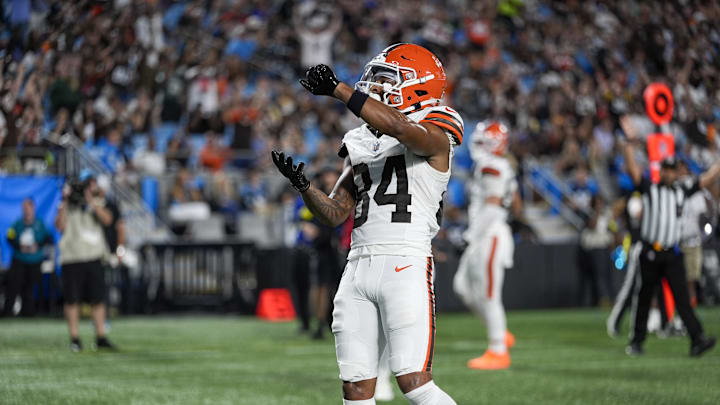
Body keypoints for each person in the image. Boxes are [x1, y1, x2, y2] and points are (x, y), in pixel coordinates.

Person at [272, 43, 462, 404]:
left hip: (404, 261)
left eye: (386, 78)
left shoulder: (439, 124)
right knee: (356, 388)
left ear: (419, 84)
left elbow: (405, 131)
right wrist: (303, 187)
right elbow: (335, 213)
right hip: (357, 264)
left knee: (414, 382)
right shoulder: (361, 139)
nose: (374, 85)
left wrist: (340, 90)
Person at [620, 133, 717, 357]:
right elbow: (634, 172)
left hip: (672, 254)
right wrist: (628, 150)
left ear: (676, 172)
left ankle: (697, 339)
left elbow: (705, 179)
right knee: (644, 298)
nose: (670, 173)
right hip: (651, 252)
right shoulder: (650, 188)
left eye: (673, 170)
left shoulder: (681, 191)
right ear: (661, 170)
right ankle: (636, 341)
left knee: (683, 299)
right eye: (667, 169)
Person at [453, 121, 519, 370]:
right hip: (482, 234)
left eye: (482, 140)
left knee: (489, 294)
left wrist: (470, 236)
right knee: (462, 287)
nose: (477, 145)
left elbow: (492, 206)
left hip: (489, 235)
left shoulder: (492, 165)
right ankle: (499, 331)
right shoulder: (500, 165)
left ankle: (498, 349)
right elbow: (515, 202)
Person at [55, 176, 116, 352]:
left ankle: (101, 336)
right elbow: (59, 226)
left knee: (98, 299)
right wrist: (65, 200)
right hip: (72, 257)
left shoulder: (96, 203)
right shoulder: (66, 205)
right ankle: (75, 338)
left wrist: (90, 201)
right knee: (72, 300)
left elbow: (107, 220)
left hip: (93, 256)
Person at [3, 198, 51, 317]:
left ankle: (31, 312)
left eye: (29, 208)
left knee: (32, 288)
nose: (27, 211)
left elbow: (48, 238)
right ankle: (8, 312)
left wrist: (37, 246)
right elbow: (9, 237)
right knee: (13, 285)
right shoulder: (17, 224)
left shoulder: (40, 224)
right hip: (19, 259)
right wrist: (19, 247)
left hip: (35, 260)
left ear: (33, 209)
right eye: (24, 208)